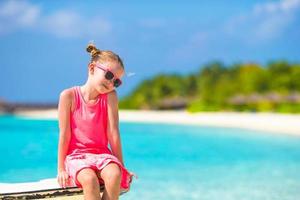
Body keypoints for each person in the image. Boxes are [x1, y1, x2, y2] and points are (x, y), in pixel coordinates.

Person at [57, 43, 137, 200]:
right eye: (108, 75)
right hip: (76, 157)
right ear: (92, 68)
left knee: (114, 175)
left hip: (102, 155)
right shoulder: (68, 96)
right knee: (90, 180)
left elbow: (113, 133)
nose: (111, 83)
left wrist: (121, 166)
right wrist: (61, 169)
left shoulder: (111, 97)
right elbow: (64, 134)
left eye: (116, 82)